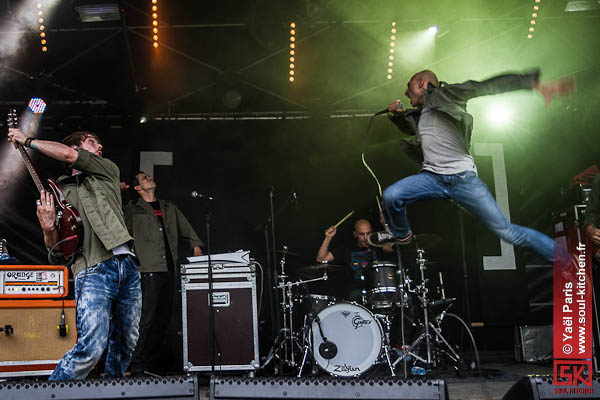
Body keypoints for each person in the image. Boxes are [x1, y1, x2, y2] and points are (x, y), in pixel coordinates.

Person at [369, 69, 575, 263]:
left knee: (508, 232)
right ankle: (403, 237)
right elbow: (412, 128)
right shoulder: (422, 113)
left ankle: (566, 261)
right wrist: (396, 116)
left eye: (409, 85)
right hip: (432, 178)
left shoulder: (445, 95)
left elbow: (482, 87)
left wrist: (531, 83)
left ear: (422, 83)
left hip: (462, 180)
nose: (405, 92)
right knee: (391, 196)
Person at [7, 129, 141, 380]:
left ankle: (115, 391)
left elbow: (69, 154)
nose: (99, 146)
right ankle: (50, 395)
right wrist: (48, 228)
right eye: (92, 141)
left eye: (99, 143)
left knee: (126, 342)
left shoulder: (107, 170)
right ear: (79, 146)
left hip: (127, 266)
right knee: (91, 348)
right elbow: (57, 250)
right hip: (92, 269)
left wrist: (27, 140)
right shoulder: (59, 193)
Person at [125, 171, 204, 376]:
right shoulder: (133, 211)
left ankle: (158, 363)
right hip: (148, 271)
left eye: (148, 176)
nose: (149, 178)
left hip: (170, 271)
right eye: (144, 178)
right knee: (147, 319)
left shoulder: (168, 207)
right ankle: (137, 364)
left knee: (166, 318)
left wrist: (196, 245)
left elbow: (187, 229)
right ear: (137, 188)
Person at [316, 218, 392, 299]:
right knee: (353, 295)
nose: (365, 238)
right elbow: (321, 259)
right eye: (361, 234)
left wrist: (385, 225)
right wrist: (328, 237)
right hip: (356, 291)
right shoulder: (347, 248)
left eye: (368, 233)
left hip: (378, 289)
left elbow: (391, 244)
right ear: (355, 234)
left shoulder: (378, 245)